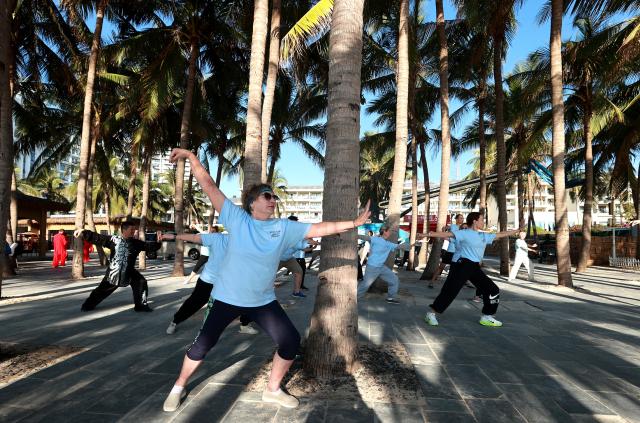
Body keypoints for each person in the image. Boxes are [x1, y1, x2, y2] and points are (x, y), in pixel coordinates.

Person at [161, 148, 370, 412]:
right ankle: (179, 386)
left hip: (262, 302)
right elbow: (209, 186)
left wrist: (354, 222)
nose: (273, 200)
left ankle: (272, 390)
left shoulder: (283, 227)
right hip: (226, 298)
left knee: (291, 341)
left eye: (274, 197)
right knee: (203, 345)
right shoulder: (236, 219)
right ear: (251, 203)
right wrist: (192, 158)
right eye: (267, 196)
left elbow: (320, 228)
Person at [424, 212, 519, 327]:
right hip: (462, 264)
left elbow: (501, 234)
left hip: (473, 266)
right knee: (451, 290)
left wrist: (517, 230)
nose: (483, 222)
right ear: (475, 221)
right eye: (482, 220)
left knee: (492, 289)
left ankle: (487, 316)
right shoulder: (464, 233)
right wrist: (427, 234)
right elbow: (447, 234)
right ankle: (431, 314)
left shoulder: (483, 235)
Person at [164, 231, 258, 335]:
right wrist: (174, 236)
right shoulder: (216, 238)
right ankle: (175, 321)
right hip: (209, 279)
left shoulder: (245, 241)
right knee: (193, 303)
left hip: (230, 281)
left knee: (247, 300)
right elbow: (194, 237)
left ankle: (245, 325)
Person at [76, 221, 165, 312]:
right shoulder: (113, 240)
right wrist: (83, 231)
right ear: (124, 230)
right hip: (114, 271)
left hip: (129, 271)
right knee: (101, 291)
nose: (133, 231)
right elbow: (98, 237)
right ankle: (87, 305)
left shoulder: (136, 243)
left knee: (141, 282)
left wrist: (159, 241)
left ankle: (141, 306)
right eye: (131, 229)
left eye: (134, 229)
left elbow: (149, 246)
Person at [356, 226, 413, 304]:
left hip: (381, 267)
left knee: (394, 280)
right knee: (366, 284)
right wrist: (356, 235)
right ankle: (355, 298)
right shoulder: (375, 239)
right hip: (372, 267)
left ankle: (391, 298)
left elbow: (400, 246)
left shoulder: (388, 244)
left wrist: (412, 245)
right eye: (389, 231)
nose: (390, 233)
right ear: (384, 231)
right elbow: (365, 237)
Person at [430, 214, 464, 288]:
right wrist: (445, 237)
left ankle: (454, 284)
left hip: (458, 252)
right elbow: (444, 228)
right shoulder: (453, 226)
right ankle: (432, 281)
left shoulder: (463, 228)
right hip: (450, 250)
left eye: (463, 218)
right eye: (461, 218)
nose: (462, 219)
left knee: (457, 269)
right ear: (457, 219)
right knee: (441, 267)